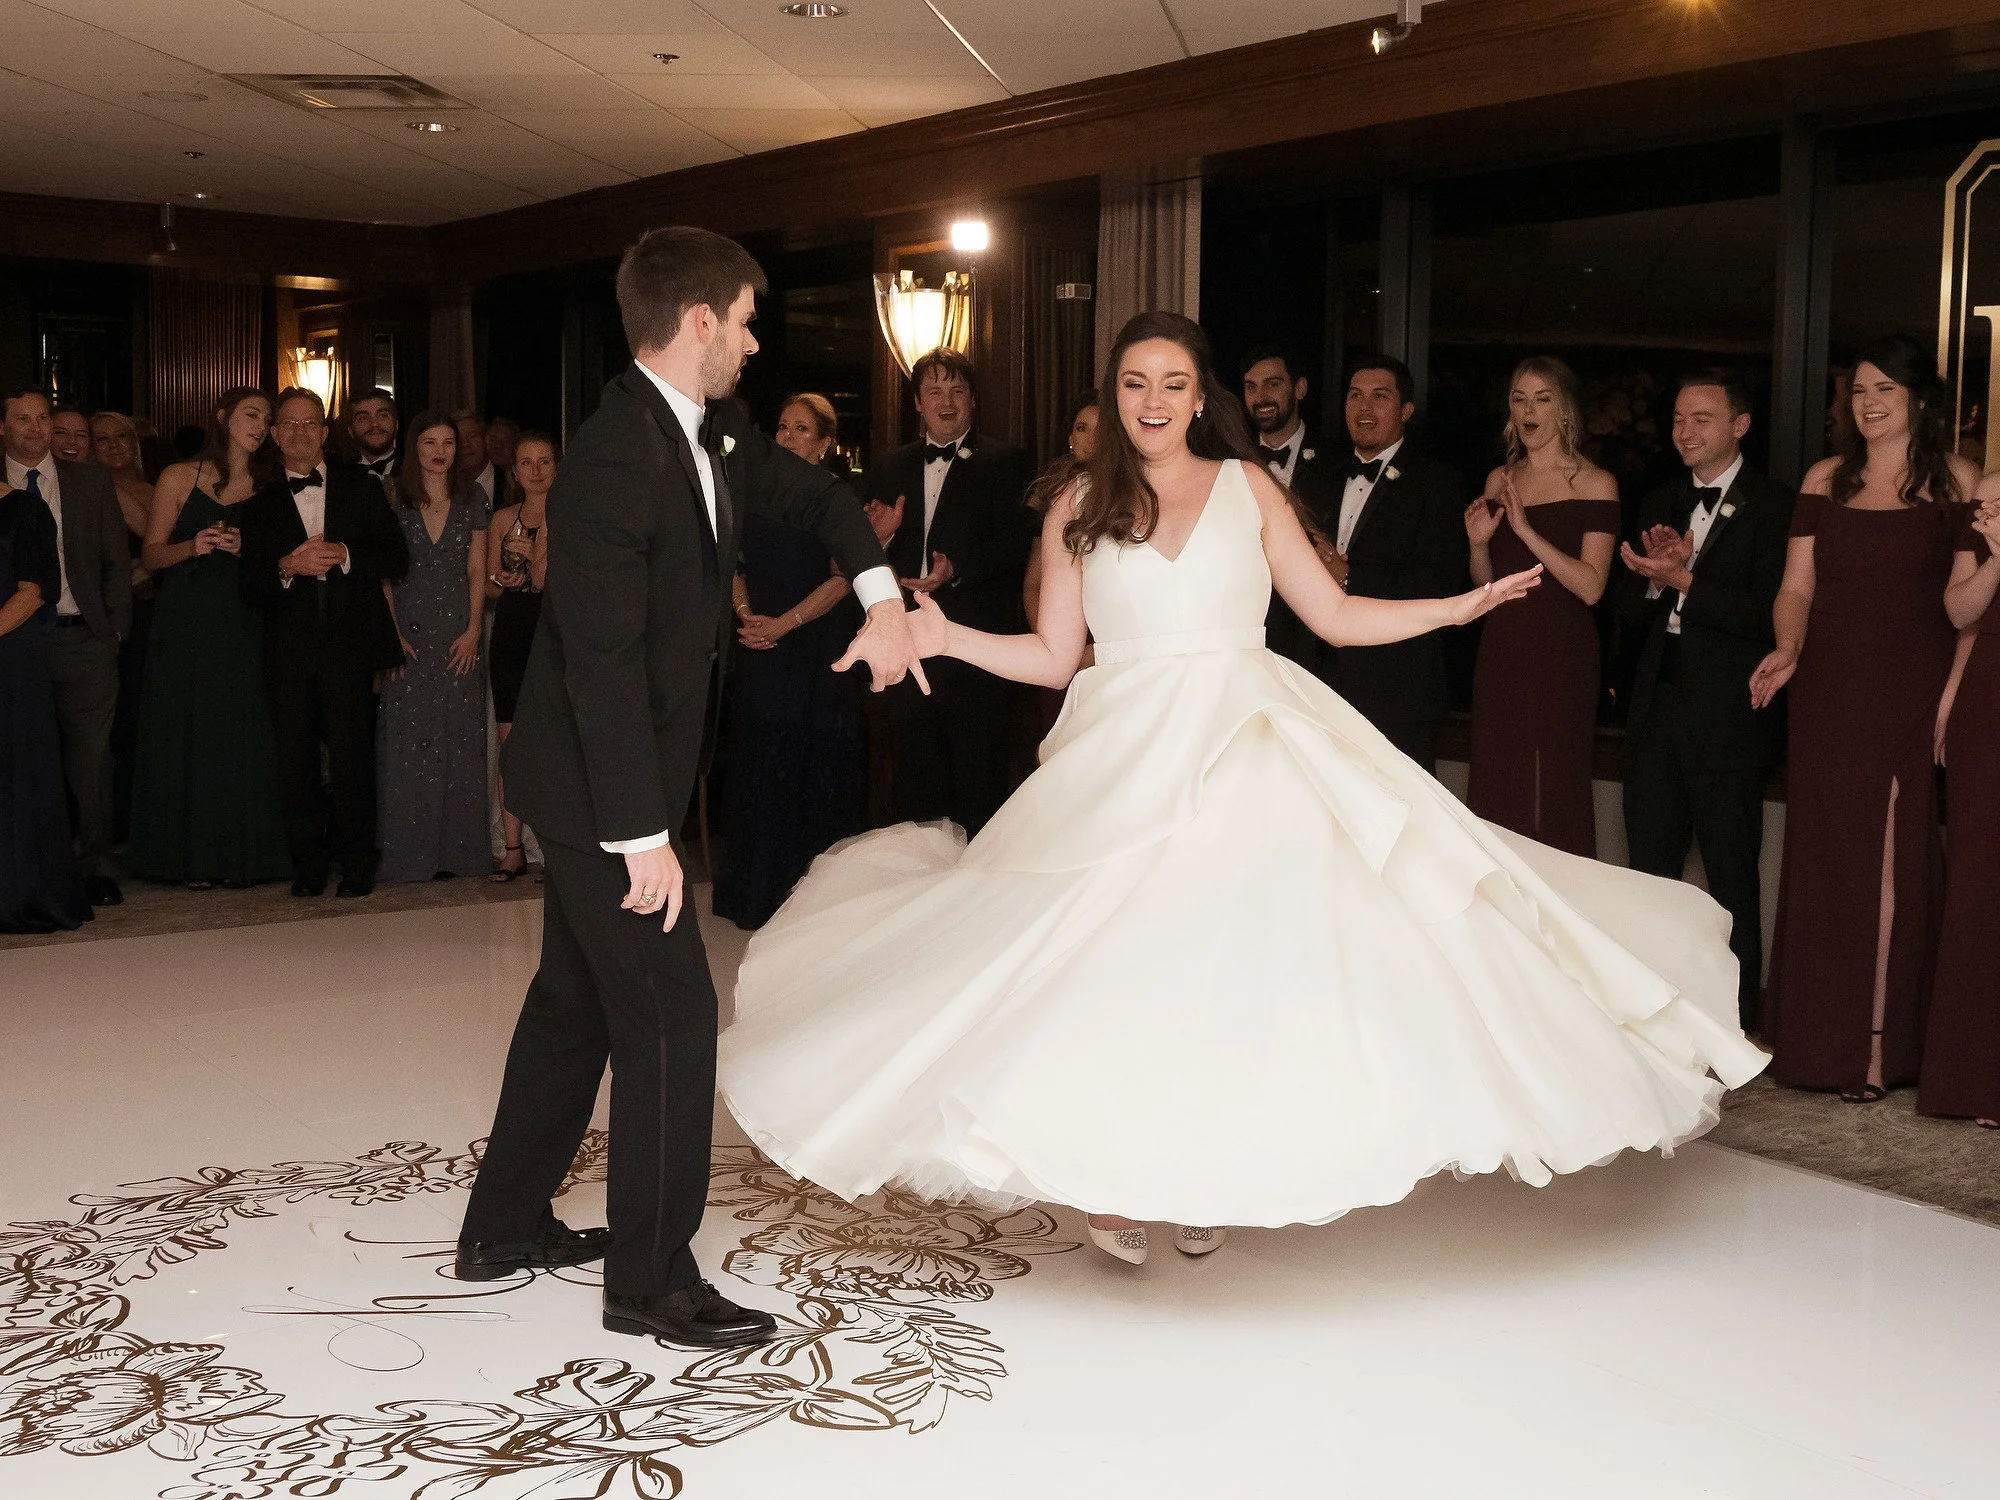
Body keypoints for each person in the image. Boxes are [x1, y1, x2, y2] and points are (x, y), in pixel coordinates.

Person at [719, 310, 1764, 1271]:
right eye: (1134, 383)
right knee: (1114, 961)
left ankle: (1203, 1160)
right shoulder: (1077, 505)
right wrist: (946, 635)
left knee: (1230, 959)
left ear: (1196, 392)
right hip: (1124, 748)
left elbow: (1338, 617)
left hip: (1247, 731)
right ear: (1115, 392)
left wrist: (1457, 608)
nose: (1152, 402)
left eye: (1172, 382)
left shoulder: (1247, 487)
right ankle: (1120, 1177)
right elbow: (1051, 656)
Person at [455, 226, 922, 1350]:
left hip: (613, 779)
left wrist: (879, 592)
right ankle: (650, 1281)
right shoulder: (612, 461)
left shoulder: (713, 428)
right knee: (669, 1012)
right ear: (701, 321)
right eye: (749, 321)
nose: (758, 342)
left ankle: (503, 1226)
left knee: (574, 1005)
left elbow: (814, 500)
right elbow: (600, 666)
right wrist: (640, 836)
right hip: (593, 792)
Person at [1752, 335, 1979, 1101]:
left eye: (1885, 389)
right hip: (1826, 693)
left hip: (1912, 693)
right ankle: (1821, 1044)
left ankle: (1880, 1049)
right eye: (1857, 391)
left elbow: (1968, 613)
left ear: (1918, 398)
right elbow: (1796, 586)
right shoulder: (1823, 478)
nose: (1869, 403)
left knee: (1893, 864)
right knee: (1827, 864)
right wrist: (1786, 649)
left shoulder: (1960, 480)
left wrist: (1950, 698)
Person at [1617, 372, 1795, 1034]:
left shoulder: (1775, 506)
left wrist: (1686, 579)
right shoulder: (1660, 499)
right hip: (1658, 708)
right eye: (1677, 420)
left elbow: (1768, 615)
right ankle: (1653, 1016)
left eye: (1701, 419)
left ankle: (1735, 1020)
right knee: (1651, 872)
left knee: (1730, 874)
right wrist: (1654, 583)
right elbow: (1627, 618)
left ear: (1740, 425)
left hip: (1729, 713)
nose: (1684, 432)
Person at [237, 388, 410, 900]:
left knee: (355, 760)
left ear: (325, 432)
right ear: (274, 435)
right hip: (287, 656)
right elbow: (250, 588)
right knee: (296, 764)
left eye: (309, 423)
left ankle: (359, 864)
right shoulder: (260, 504)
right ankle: (308, 866)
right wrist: (288, 567)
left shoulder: (362, 487)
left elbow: (397, 559)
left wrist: (347, 555)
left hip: (350, 650)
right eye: (287, 425)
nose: (298, 433)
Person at [860, 348, 1034, 836]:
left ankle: (976, 895)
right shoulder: (889, 466)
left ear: (973, 401)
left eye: (958, 390)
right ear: (917, 402)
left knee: (980, 780)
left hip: (974, 643)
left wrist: (955, 568)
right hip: (905, 639)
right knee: (914, 778)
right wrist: (884, 540)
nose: (947, 401)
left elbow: (1017, 543)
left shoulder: (1008, 461)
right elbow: (859, 547)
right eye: (935, 391)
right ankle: (921, 893)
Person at [713, 393, 868, 930]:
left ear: (825, 445)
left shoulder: (832, 498)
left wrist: (784, 624)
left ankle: (810, 901)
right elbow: (733, 561)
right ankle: (754, 895)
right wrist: (747, 615)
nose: (786, 437)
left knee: (809, 767)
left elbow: (845, 577)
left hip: (815, 650)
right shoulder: (750, 492)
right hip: (759, 645)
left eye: (801, 429)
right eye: (781, 426)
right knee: (757, 765)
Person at [128, 388, 291, 888]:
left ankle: (238, 857)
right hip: (185, 621)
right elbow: (151, 556)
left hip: (243, 621)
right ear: (223, 418)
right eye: (251, 414)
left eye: (267, 418)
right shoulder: (179, 476)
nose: (260, 425)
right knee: (187, 730)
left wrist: (249, 551)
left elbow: (283, 564)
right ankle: (186, 858)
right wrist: (193, 546)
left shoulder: (272, 484)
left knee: (239, 730)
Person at [1464, 356, 1619, 856]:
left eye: (1542, 398)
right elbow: (1486, 590)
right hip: (1503, 646)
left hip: (1562, 653)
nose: (1528, 409)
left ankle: (1559, 914)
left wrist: (1526, 530)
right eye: (1519, 398)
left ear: (1565, 410)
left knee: (1554, 784)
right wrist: (1478, 545)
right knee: (1499, 778)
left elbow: (1592, 587)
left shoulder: (1596, 483)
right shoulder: (1499, 480)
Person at [3, 387, 132, 907]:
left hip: (83, 636)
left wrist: (115, 630)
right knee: (27, 757)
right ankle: (35, 865)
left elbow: (115, 562)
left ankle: (97, 864)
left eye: (42, 419)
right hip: (16, 644)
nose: (35, 429)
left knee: (92, 758)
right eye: (22, 419)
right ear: (5, 426)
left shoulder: (89, 480)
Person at [1316, 355, 1469, 772]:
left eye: (1379, 397)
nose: (1364, 408)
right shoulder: (1323, 477)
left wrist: (1349, 575)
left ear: (1406, 410)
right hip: (1322, 685)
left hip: (1399, 689)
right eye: (1355, 396)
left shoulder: (1435, 482)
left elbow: (1440, 580)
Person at [376, 412, 490, 884]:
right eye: (428, 442)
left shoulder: (473, 497)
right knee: (405, 746)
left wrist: (473, 631)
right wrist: (392, 634)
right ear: (413, 448)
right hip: (408, 635)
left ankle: (459, 856)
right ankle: (407, 857)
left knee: (461, 742)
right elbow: (381, 574)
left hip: (457, 638)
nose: (439, 451)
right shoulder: (391, 495)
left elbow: (477, 571)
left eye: (447, 442)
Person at [1919, 479, 2000, 1126]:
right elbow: (1959, 615)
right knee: (1977, 884)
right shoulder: (1989, 511)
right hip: (1988, 708)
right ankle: (1972, 1080)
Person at [0, 478, 90, 932]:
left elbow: (33, 593)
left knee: (16, 775)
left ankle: (22, 892)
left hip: (10, 661)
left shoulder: (25, 510)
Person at [1241, 344, 1342, 670]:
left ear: (1299, 388)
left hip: (1316, 635)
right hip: (1247, 625)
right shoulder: (1228, 461)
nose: (1261, 397)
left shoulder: (1338, 462)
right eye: (1251, 387)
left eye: (1273, 384)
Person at [486, 431, 555, 883]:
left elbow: (555, 584)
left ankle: (554, 850)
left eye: (544, 462)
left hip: (552, 635)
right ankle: (512, 849)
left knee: (553, 746)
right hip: (510, 633)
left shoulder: (570, 516)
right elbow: (490, 583)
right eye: (526, 462)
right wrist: (505, 580)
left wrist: (533, 558)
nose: (535, 470)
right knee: (511, 748)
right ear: (514, 471)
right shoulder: (502, 518)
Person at [93, 411, 157, 845]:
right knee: (114, 722)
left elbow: (165, 549)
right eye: (103, 439)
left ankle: (143, 821)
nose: (114, 445)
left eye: (122, 436)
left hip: (154, 616)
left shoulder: (155, 488)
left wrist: (150, 566)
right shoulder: (87, 492)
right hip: (109, 617)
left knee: (145, 716)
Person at [347, 388, 399, 482]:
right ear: (350, 431)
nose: (374, 424)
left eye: (383, 415)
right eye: (363, 418)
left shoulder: (418, 469)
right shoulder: (339, 476)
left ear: (396, 425)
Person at [455, 410, 500, 510]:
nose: (465, 444)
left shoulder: (510, 480)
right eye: (458, 439)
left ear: (486, 439)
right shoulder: (445, 486)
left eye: (472, 436)